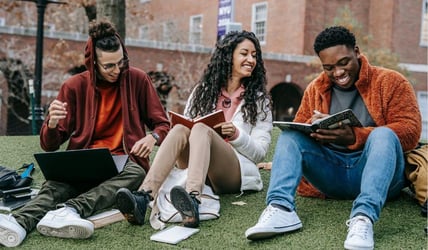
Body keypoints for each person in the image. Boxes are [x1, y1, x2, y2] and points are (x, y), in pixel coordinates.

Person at [245, 26, 422, 250]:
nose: (337, 73)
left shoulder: (391, 82)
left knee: (384, 134)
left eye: (343, 63)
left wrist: (355, 136)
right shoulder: (315, 88)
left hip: (381, 177)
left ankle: (363, 218)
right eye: (329, 67)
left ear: (356, 51)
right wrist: (315, 130)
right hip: (332, 175)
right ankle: (281, 209)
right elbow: (300, 132)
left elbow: (411, 131)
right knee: (290, 134)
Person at [0, 19, 170, 247]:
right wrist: (51, 124)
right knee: (55, 185)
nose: (117, 70)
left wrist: (153, 137)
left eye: (121, 62)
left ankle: (70, 210)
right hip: (84, 157)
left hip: (122, 160)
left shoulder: (137, 79)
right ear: (93, 63)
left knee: (137, 174)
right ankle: (18, 223)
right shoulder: (73, 87)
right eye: (109, 66)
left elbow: (163, 125)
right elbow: (49, 145)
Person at [115, 30, 272, 228]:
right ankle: (143, 196)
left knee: (201, 130)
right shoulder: (202, 91)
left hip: (232, 172)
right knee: (182, 128)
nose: (251, 59)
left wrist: (236, 135)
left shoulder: (259, 100)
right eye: (244, 53)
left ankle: (193, 199)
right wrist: (193, 124)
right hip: (196, 165)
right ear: (228, 56)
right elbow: (187, 130)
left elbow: (259, 153)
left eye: (254, 55)